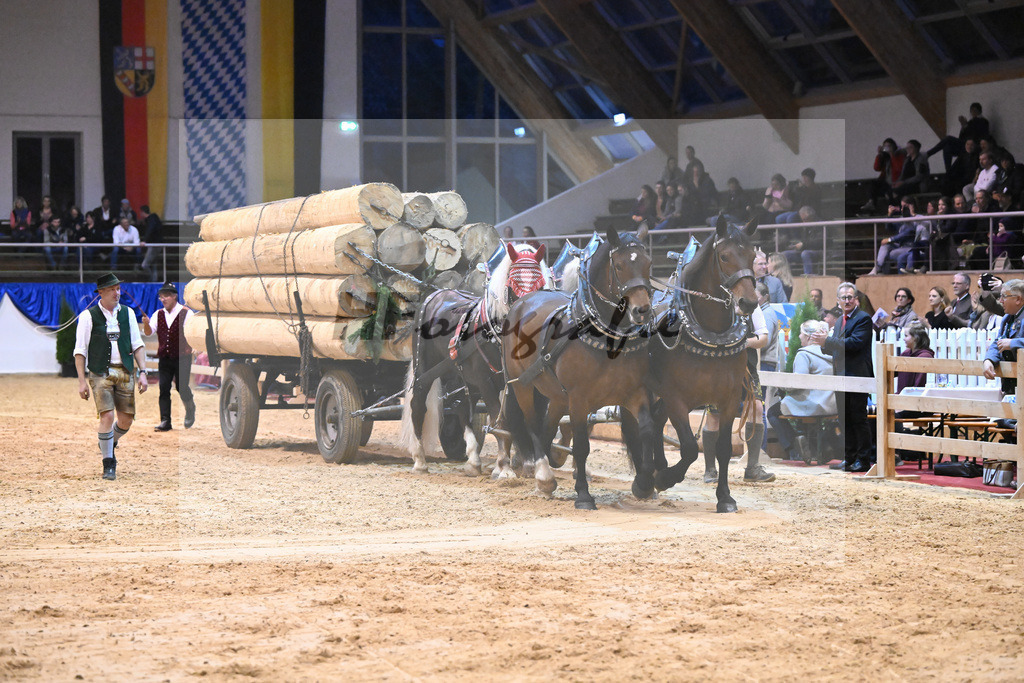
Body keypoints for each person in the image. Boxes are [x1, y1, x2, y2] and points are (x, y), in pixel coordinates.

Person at [74, 273, 149, 480]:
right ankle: (109, 462)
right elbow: (80, 351)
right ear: (101, 293)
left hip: (125, 370)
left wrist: (143, 372)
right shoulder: (88, 317)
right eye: (112, 289)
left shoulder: (128, 313)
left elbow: (138, 344)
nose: (117, 292)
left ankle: (108, 441)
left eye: (118, 289)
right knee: (107, 416)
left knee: (126, 420)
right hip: (100, 372)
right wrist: (82, 382)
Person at [811, 282, 873, 472]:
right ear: (838, 301)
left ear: (856, 299)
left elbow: (854, 344)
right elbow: (836, 348)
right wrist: (823, 342)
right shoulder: (839, 321)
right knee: (844, 419)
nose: (847, 300)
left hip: (857, 375)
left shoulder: (863, 319)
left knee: (858, 418)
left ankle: (863, 460)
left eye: (850, 297)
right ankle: (850, 457)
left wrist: (827, 341)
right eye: (843, 297)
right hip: (841, 376)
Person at [767, 320, 836, 463]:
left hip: (812, 404)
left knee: (772, 412)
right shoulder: (831, 353)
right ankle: (816, 446)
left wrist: (782, 386)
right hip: (831, 404)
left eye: (801, 333)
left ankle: (794, 447)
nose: (799, 336)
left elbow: (798, 383)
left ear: (809, 337)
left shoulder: (804, 354)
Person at [142, 283, 196, 431]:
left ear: (174, 296)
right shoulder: (158, 314)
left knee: (182, 387)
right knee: (163, 388)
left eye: (166, 296)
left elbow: (191, 333)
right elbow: (148, 332)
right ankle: (165, 421)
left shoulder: (187, 313)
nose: (163, 299)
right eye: (161, 296)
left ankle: (190, 408)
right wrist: (146, 324)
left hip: (182, 357)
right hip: (165, 358)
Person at [893, 323, 935, 462]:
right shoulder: (906, 354)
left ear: (916, 338)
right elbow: (892, 373)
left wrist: (903, 403)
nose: (903, 339)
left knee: (891, 415)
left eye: (906, 336)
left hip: (919, 406)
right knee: (879, 412)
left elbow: (919, 387)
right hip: (904, 402)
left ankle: (896, 453)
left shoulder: (925, 357)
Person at [983, 279, 1024, 395]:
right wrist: (989, 360)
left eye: (1004, 296)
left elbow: (1007, 342)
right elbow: (999, 342)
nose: (1000, 301)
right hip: (1011, 382)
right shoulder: (1008, 318)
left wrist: (1013, 343)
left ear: (1018, 299)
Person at [137, 205, 164, 280]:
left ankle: (151, 280)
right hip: (156, 244)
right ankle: (154, 281)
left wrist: (145, 240)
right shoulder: (153, 218)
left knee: (144, 265)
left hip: (155, 245)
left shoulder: (151, 219)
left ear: (142, 212)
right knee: (153, 265)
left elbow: (150, 229)